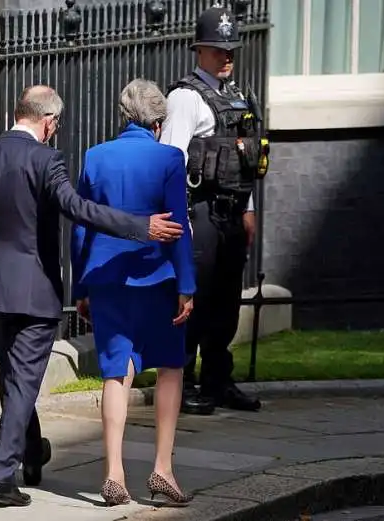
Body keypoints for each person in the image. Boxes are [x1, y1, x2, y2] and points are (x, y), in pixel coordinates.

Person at [0, 85, 185, 508]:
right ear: (48, 122)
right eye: (57, 126)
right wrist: (142, 227)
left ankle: (32, 451)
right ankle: (1, 478)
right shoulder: (46, 160)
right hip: (33, 291)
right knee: (23, 382)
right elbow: (80, 209)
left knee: (13, 378)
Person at [71, 79, 195, 506]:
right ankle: (162, 469)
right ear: (157, 122)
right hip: (157, 277)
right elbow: (177, 227)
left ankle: (114, 473)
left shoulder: (95, 156)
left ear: (125, 116)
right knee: (171, 369)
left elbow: (81, 225)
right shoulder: (168, 158)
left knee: (115, 372)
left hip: (106, 279)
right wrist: (187, 285)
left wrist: (81, 286)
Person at [158, 4, 269, 415]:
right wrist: (176, 219)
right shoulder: (186, 98)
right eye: (218, 50)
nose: (226, 56)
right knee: (194, 298)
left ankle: (218, 380)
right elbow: (169, 160)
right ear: (199, 51)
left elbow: (243, 161)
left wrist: (249, 208)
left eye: (230, 50)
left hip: (233, 210)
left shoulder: (236, 98)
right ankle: (182, 381)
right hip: (199, 211)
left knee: (225, 301)